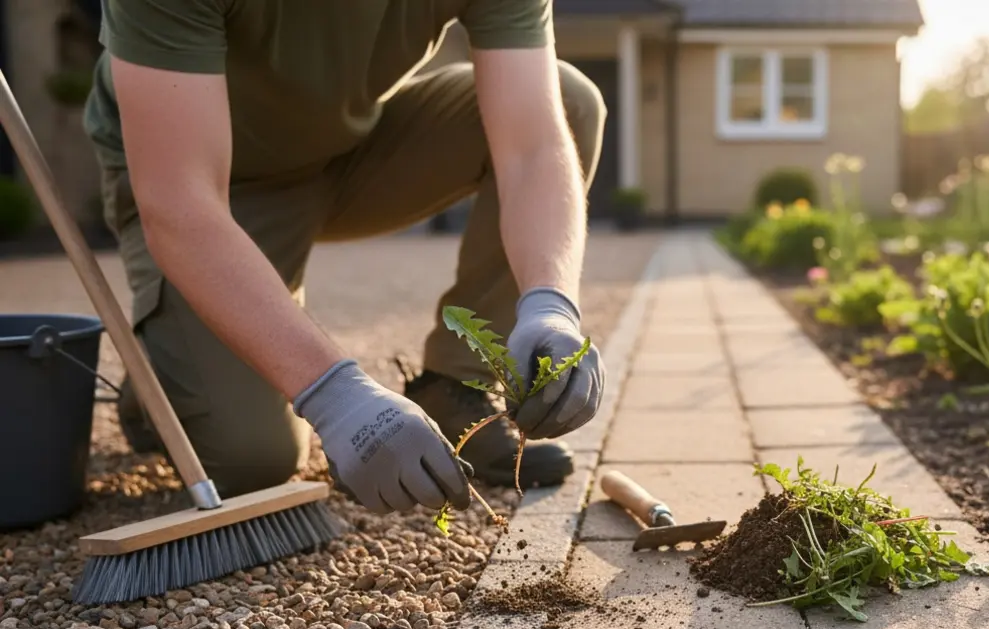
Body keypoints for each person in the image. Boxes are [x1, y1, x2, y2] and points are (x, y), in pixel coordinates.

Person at [82, 0, 607, 515]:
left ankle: (456, 387)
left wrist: (551, 303)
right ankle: (165, 370)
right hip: (217, 186)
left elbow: (533, 148)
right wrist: (339, 397)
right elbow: (181, 206)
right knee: (251, 462)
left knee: (569, 101)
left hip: (353, 148)